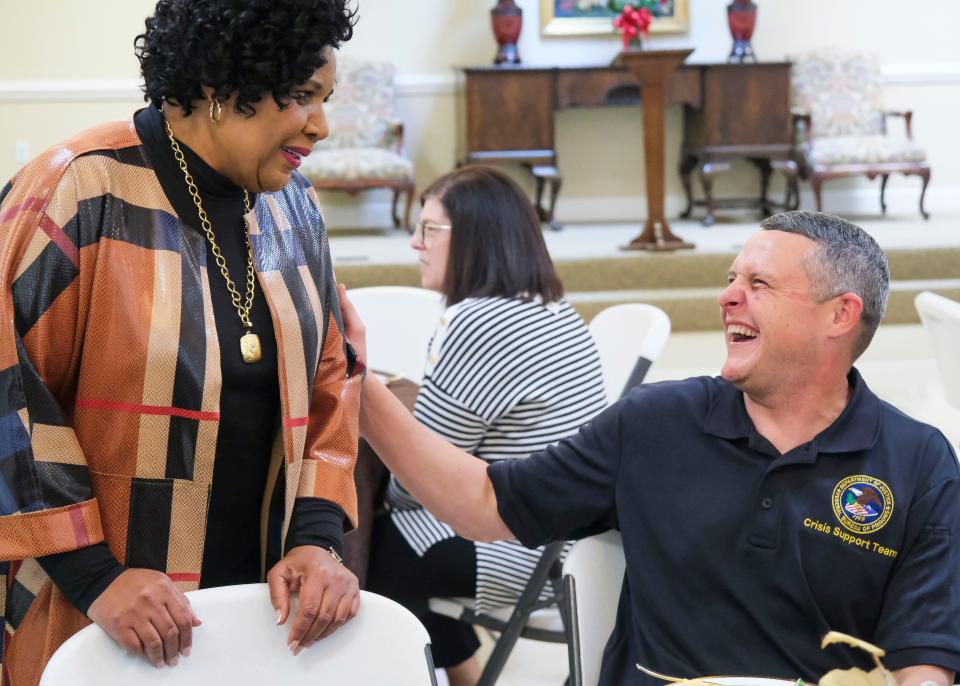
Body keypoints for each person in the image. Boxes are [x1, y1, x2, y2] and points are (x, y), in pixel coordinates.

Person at [342, 211, 960, 686]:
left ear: (840, 316)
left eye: (760, 283)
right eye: (731, 280)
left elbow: (924, 656)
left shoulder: (917, 461)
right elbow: (484, 500)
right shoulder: (659, 423)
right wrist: (357, 388)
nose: (727, 297)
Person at [0, 1, 363, 683]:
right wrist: (96, 578)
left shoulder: (294, 205)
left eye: (325, 99)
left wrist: (318, 541)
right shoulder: (79, 188)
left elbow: (334, 378)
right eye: (300, 97)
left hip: (264, 622)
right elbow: (5, 394)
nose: (320, 125)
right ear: (222, 87)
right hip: (98, 623)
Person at [359, 166, 607, 686]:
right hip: (566, 538)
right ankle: (468, 676)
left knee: (355, 551)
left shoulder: (483, 321)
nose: (414, 244)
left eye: (429, 230)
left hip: (519, 544)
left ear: (475, 235)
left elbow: (413, 483)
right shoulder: (548, 307)